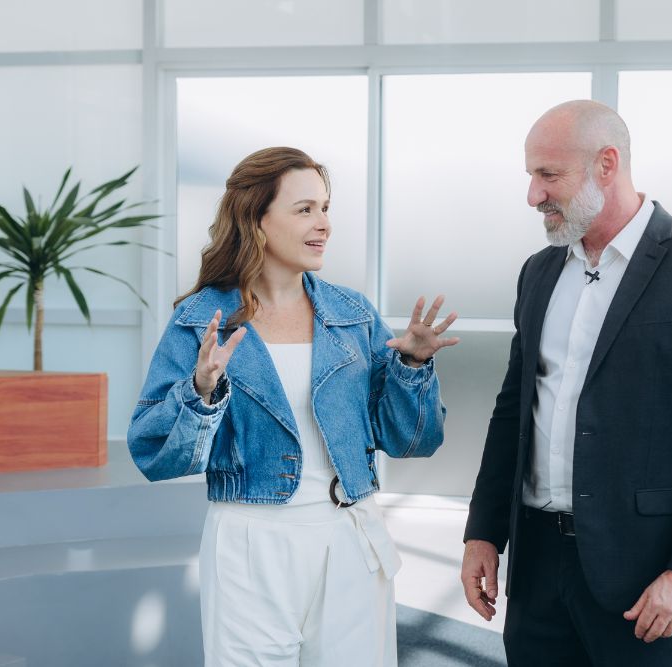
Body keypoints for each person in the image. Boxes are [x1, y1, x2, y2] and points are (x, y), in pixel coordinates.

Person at [460, 100, 672, 666]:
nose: (533, 195)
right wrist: (483, 533)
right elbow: (513, 412)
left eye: (548, 175)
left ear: (607, 164)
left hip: (645, 576)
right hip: (536, 568)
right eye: (531, 175)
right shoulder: (540, 271)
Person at [127, 147, 459, 666]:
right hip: (249, 540)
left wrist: (411, 369)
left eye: (325, 208)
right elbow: (153, 452)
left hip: (350, 534)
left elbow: (412, 441)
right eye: (304, 209)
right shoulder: (199, 320)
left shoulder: (353, 315)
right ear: (255, 220)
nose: (323, 223)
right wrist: (200, 389)